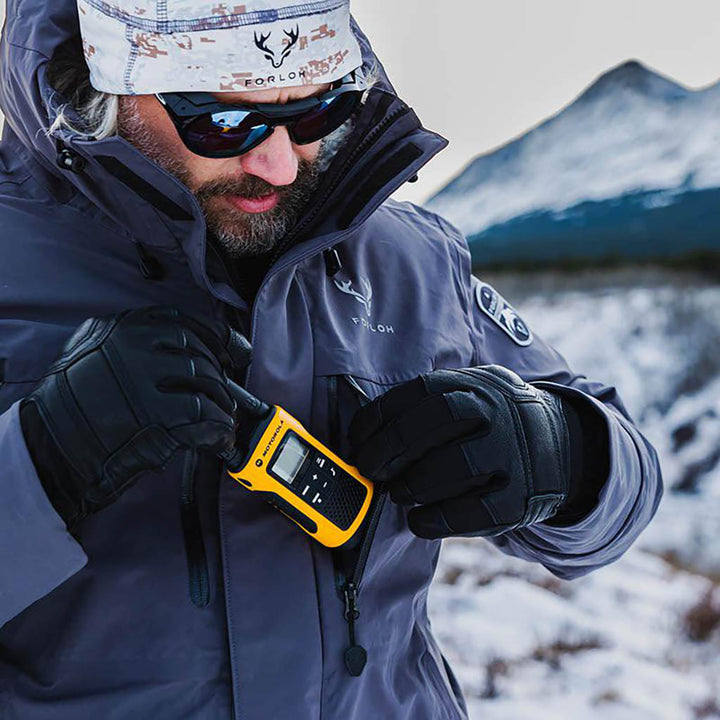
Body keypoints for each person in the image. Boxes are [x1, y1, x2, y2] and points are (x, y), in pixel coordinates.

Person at [0, 1, 662, 718]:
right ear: (105, 83)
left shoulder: (410, 260)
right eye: (223, 121)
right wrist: (44, 456)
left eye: (316, 111)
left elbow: (626, 491)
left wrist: (561, 450)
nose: (280, 163)